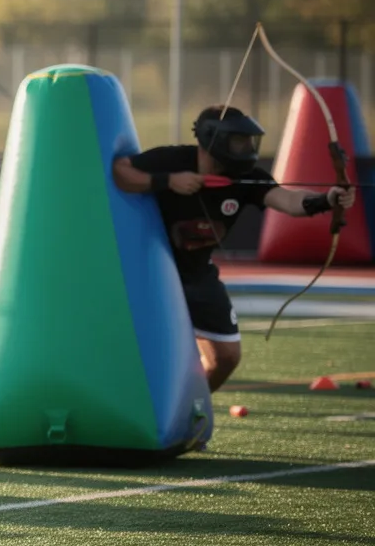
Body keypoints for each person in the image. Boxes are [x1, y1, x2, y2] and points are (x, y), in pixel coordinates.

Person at [112, 104, 354, 391]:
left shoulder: (247, 177)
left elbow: (289, 201)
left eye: (249, 141)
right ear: (212, 138)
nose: (247, 148)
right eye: (239, 141)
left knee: (226, 357)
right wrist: (168, 181)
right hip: (151, 273)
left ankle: (188, 406)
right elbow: (121, 171)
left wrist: (327, 200)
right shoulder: (172, 159)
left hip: (198, 274)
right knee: (149, 352)